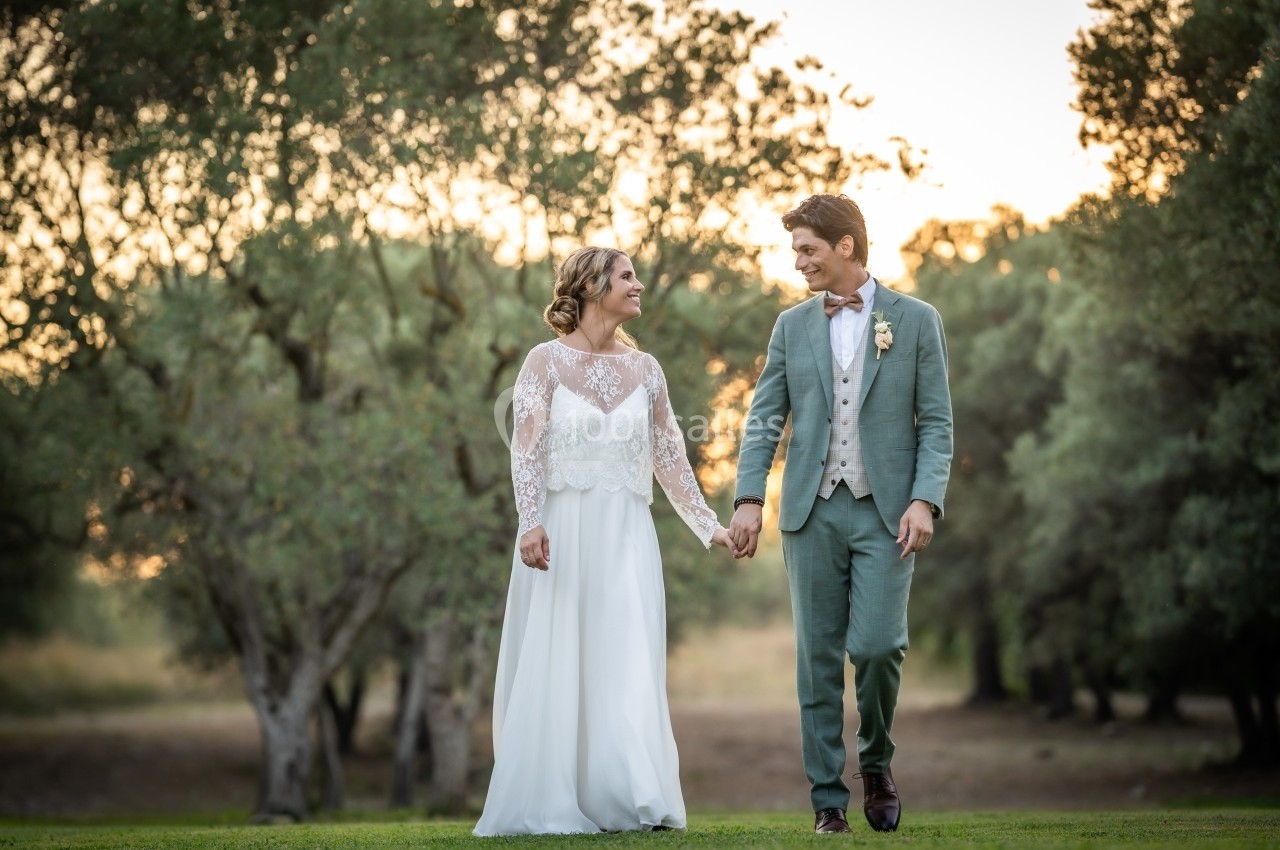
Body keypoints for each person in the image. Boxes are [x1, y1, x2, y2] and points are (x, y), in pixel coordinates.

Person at [473, 246, 733, 836]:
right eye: (627, 276)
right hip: (562, 533)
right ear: (591, 286)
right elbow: (527, 449)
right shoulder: (543, 363)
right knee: (562, 654)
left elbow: (671, 459)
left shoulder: (648, 371)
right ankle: (553, 796)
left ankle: (630, 795)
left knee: (624, 658)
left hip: (626, 536)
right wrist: (529, 520)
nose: (638, 285)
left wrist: (709, 527)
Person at [727, 194, 953, 834]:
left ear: (846, 246)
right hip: (810, 512)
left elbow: (936, 421)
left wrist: (925, 499)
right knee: (816, 660)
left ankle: (876, 763)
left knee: (879, 647)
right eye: (796, 250)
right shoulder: (791, 326)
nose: (799, 262)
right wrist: (749, 499)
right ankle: (828, 800)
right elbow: (765, 417)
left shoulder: (915, 320)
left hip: (888, 516)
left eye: (809, 249)